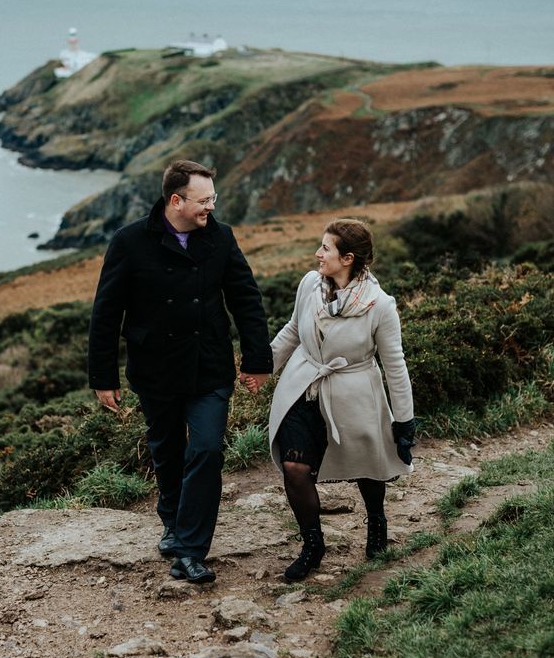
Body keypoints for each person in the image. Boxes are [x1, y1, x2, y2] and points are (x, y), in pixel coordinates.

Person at [87, 160, 272, 584]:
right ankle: (172, 521)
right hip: (155, 368)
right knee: (167, 450)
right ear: (176, 200)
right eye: (204, 200)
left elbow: (246, 299)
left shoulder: (221, 238)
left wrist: (258, 361)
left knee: (206, 450)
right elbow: (106, 313)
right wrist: (103, 377)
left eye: (213, 198)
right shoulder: (130, 241)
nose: (212, 206)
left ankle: (189, 550)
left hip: (210, 367)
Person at [249, 218, 415, 582]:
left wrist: (404, 421)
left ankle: (376, 520)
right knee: (294, 467)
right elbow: (293, 330)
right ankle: (312, 544)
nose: (317, 254)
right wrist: (262, 369)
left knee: (366, 463)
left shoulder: (380, 306)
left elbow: (395, 365)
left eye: (326, 248)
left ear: (348, 258)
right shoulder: (310, 284)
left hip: (355, 390)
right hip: (303, 384)